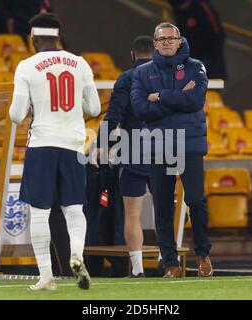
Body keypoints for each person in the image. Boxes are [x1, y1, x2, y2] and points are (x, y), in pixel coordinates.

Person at [9, 13, 101, 291]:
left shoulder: (26, 66)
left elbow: (15, 115)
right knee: (74, 209)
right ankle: (76, 254)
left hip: (42, 144)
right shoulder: (80, 63)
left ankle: (46, 276)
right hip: (73, 143)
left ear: (34, 38)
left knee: (39, 213)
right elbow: (94, 109)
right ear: (58, 35)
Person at [131, 22, 213, 278]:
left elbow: (196, 100)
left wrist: (161, 96)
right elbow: (141, 109)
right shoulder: (142, 72)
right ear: (155, 44)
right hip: (159, 144)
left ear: (180, 41)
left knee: (196, 200)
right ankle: (171, 263)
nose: (167, 42)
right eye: (162, 39)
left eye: (171, 38)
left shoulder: (196, 66)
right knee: (163, 206)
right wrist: (178, 97)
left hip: (189, 142)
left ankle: (203, 254)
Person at [96, 36, 154, 278]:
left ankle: (138, 270)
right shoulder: (169, 76)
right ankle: (168, 262)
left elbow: (114, 115)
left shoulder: (127, 78)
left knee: (132, 213)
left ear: (133, 54)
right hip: (167, 146)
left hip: (134, 148)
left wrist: (101, 145)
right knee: (163, 210)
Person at [168, 0, 227, 80]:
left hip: (209, 62)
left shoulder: (202, 7)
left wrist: (209, 59)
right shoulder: (179, 11)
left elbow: (218, 34)